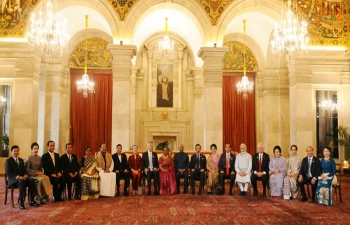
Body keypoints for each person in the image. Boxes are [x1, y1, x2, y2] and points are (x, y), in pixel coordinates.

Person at [5, 145, 28, 210]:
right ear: (11, 152)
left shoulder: (21, 160)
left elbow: (24, 170)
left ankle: (32, 200)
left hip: (21, 180)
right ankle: (21, 202)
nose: (16, 152)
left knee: (31, 180)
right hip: (12, 180)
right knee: (22, 181)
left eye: (17, 151)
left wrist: (25, 174)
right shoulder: (8, 161)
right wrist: (19, 177)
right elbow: (9, 173)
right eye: (14, 151)